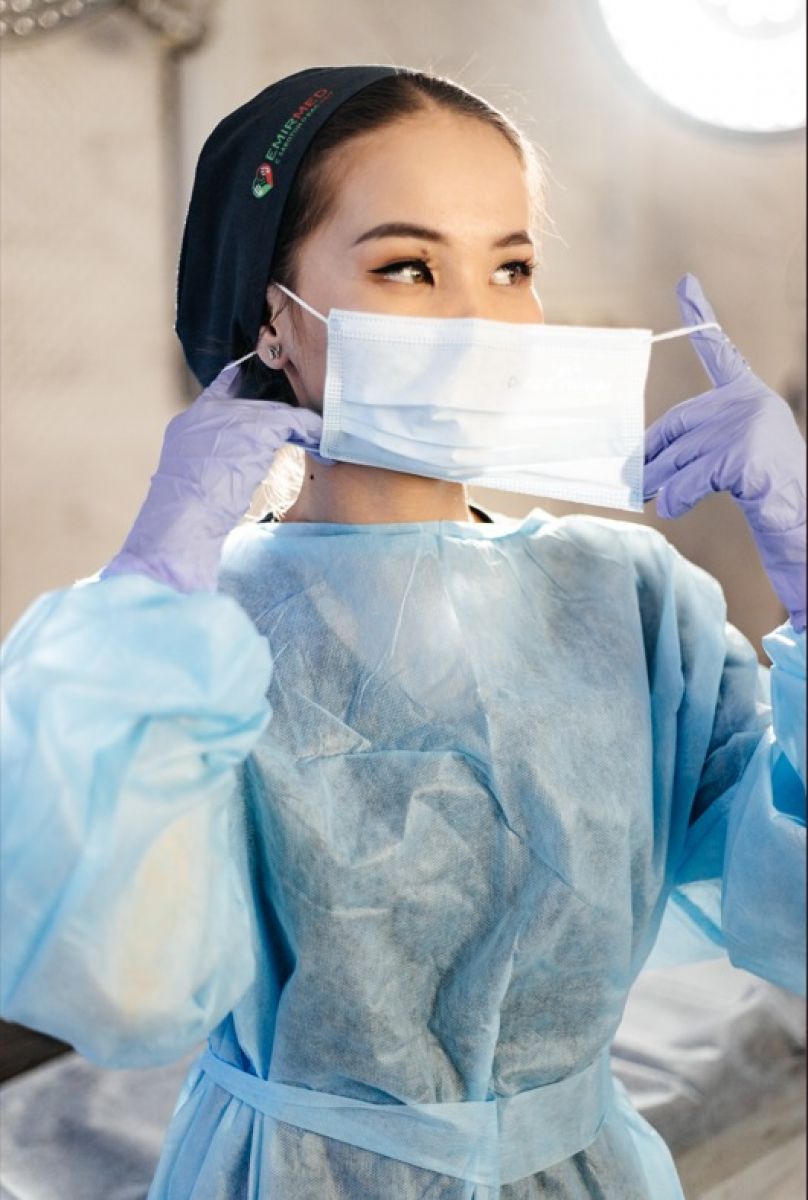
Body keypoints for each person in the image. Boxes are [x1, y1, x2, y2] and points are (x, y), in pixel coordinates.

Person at [0, 64, 804, 1200]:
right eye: (409, 267)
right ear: (277, 318)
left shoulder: (628, 600)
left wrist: (804, 560)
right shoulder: (180, 642)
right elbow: (105, 977)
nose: (482, 319)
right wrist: (155, 581)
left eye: (512, 266)